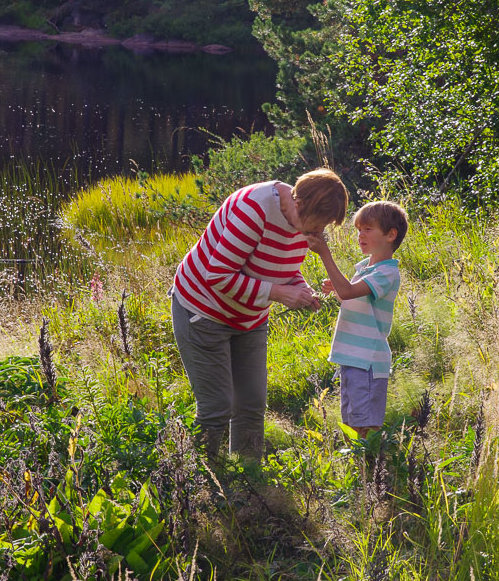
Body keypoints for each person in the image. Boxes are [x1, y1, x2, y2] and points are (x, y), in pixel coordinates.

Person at [171, 168, 348, 463]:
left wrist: (299, 289)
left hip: (249, 318)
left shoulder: (302, 223)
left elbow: (280, 264)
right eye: (318, 224)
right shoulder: (253, 208)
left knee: (251, 405)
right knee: (217, 408)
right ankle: (199, 485)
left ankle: (248, 483)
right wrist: (280, 294)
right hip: (202, 310)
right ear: (300, 204)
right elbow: (218, 275)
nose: (319, 234)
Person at [305, 200, 408, 438]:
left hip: (368, 362)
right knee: (352, 423)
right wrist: (338, 290)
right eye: (359, 229)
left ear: (391, 234)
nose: (360, 235)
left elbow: (350, 292)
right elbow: (352, 296)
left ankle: (372, 468)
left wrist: (325, 254)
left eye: (368, 229)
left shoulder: (387, 272)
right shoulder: (364, 268)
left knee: (365, 427)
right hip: (352, 358)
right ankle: (360, 466)